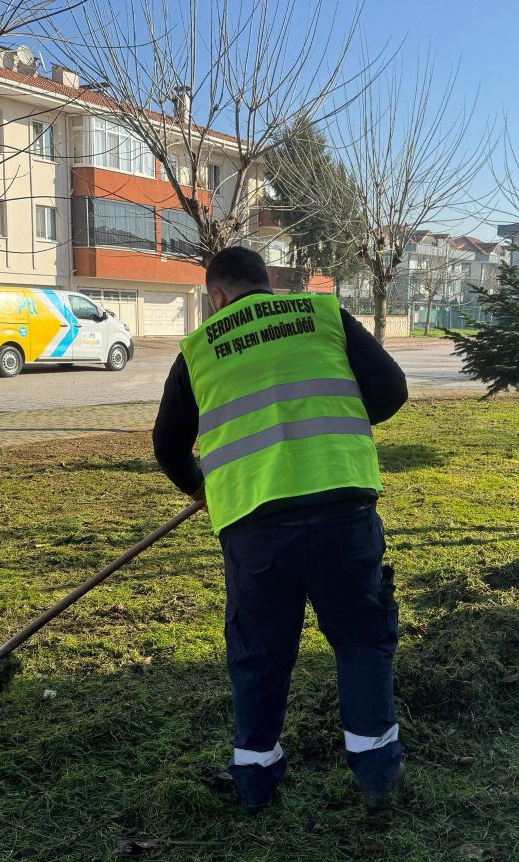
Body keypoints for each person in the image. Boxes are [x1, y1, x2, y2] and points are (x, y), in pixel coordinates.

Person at [153, 246, 409, 812]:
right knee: (362, 639)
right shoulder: (322, 314)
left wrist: (201, 486)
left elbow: (167, 446)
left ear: (216, 296)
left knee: (259, 653)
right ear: (268, 284)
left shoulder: (200, 349)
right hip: (343, 508)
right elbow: (392, 392)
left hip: (255, 526)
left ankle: (257, 782)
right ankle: (376, 776)